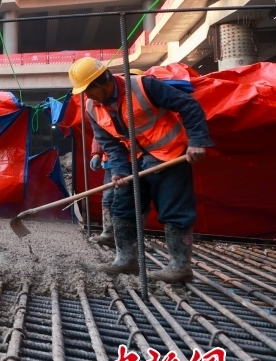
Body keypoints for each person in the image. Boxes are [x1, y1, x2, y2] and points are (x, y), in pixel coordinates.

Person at [69, 57, 213, 283]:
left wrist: (197, 140)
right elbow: (109, 143)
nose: (87, 96)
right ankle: (126, 260)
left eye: (89, 90)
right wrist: (118, 170)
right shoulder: (91, 107)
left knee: (174, 209)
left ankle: (179, 267)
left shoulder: (142, 86)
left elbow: (189, 105)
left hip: (169, 152)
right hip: (133, 158)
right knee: (123, 205)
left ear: (104, 80)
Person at [87, 68, 144, 248]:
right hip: (113, 161)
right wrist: (96, 153)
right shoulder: (102, 107)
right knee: (109, 198)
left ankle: (133, 239)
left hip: (140, 158)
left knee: (135, 200)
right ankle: (109, 233)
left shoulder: (140, 103)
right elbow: (102, 136)